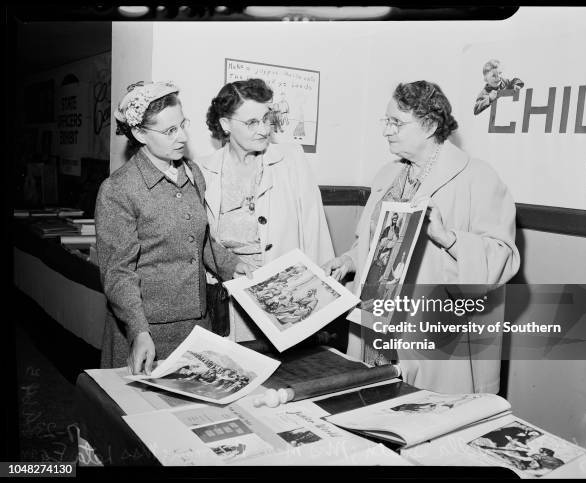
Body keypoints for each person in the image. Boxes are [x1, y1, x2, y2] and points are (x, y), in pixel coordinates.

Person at [323, 80, 520, 393]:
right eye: (386, 121)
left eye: (396, 123)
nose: (386, 130)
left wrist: (448, 238)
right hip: (377, 327)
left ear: (429, 125)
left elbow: (502, 257)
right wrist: (348, 260)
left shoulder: (478, 177)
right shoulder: (387, 175)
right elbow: (373, 243)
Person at [96, 81, 251, 374]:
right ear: (140, 133)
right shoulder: (118, 190)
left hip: (196, 327)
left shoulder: (192, 173)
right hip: (147, 332)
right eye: (169, 131)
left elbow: (199, 240)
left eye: (182, 124)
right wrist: (139, 331)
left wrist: (233, 266)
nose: (182, 136)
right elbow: (118, 273)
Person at [196, 78, 334, 341]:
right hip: (228, 299)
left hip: (287, 299)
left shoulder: (292, 160)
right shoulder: (202, 170)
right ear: (226, 124)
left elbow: (315, 232)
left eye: (266, 119)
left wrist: (320, 305)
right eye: (251, 122)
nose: (263, 130)